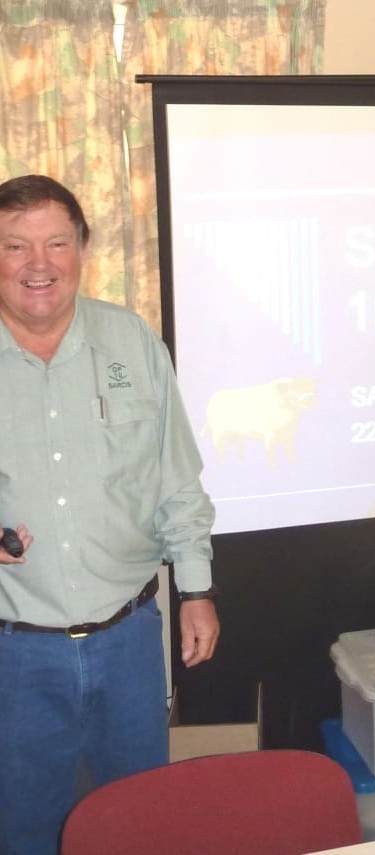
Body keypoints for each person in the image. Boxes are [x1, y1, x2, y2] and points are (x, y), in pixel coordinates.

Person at [0, 174, 220, 854]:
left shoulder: (131, 342)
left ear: (82, 250)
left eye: (57, 243)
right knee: (22, 826)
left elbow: (176, 475)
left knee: (137, 821)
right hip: (15, 652)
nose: (40, 264)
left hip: (130, 640)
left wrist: (197, 587)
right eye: (15, 246)